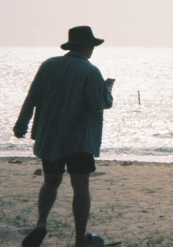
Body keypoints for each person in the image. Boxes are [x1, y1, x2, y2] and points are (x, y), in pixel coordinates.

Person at [13, 26, 114, 247]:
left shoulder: (49, 65)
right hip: (79, 140)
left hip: (49, 136)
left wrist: (22, 123)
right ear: (87, 46)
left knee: (50, 182)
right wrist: (107, 89)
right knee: (80, 186)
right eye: (92, 46)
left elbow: (32, 96)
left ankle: (41, 224)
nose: (92, 50)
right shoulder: (90, 71)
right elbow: (98, 104)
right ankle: (80, 239)